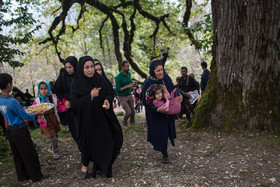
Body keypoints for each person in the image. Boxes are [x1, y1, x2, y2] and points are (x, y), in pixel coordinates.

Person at [70, 56, 123, 179]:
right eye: (87, 67)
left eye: (92, 66)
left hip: (101, 117)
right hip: (86, 120)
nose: (90, 70)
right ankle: (85, 164)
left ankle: (101, 165)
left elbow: (110, 92)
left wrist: (107, 100)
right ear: (81, 68)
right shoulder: (77, 83)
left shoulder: (99, 79)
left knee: (111, 140)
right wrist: (90, 96)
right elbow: (75, 105)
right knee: (88, 143)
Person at [0, 73, 49, 182]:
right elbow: (25, 116)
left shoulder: (1, 99)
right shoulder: (12, 101)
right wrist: (37, 113)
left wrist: (24, 108)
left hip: (10, 129)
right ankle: (36, 176)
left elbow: (15, 111)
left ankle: (22, 175)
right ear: (9, 84)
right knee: (29, 153)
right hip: (19, 130)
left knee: (17, 154)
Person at [142, 54, 183, 164]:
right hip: (156, 114)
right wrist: (156, 109)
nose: (160, 72)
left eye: (161, 70)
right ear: (152, 71)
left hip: (167, 110)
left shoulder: (166, 78)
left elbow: (173, 90)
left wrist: (179, 96)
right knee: (161, 132)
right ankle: (164, 153)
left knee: (167, 130)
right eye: (158, 70)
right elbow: (145, 101)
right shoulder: (148, 83)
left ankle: (165, 150)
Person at [33, 81, 67, 159]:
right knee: (53, 136)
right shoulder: (37, 101)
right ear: (39, 90)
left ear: (48, 88)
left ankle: (52, 146)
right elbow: (34, 110)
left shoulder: (53, 97)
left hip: (53, 119)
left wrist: (65, 108)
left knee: (55, 134)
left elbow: (58, 107)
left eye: (45, 88)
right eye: (41, 89)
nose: (43, 90)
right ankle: (56, 152)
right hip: (44, 121)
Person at [56, 56, 78, 144]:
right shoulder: (63, 77)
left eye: (70, 67)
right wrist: (64, 101)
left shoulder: (80, 76)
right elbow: (58, 92)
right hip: (69, 108)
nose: (68, 70)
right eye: (66, 67)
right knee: (73, 128)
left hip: (80, 105)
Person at [114, 60, 135, 126]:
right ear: (122, 67)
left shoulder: (128, 73)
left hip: (129, 94)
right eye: (126, 66)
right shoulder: (118, 77)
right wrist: (128, 86)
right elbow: (118, 89)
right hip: (122, 97)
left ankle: (132, 123)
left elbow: (129, 81)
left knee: (133, 111)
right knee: (128, 112)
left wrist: (132, 82)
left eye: (128, 66)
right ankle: (124, 121)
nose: (128, 68)